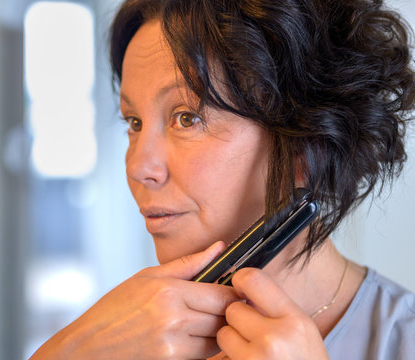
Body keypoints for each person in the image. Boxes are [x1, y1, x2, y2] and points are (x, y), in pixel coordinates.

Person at [31, 0, 415, 358]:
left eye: (186, 117)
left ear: (307, 141)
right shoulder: (126, 337)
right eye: (134, 122)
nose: (137, 168)